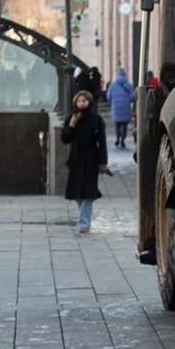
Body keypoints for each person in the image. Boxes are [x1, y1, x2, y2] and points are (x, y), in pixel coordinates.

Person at [61, 91, 108, 234]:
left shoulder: (96, 119)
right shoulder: (72, 118)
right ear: (75, 102)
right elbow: (65, 139)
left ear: (89, 102)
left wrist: (103, 162)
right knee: (76, 193)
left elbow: (102, 142)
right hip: (76, 159)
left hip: (91, 160)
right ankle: (85, 218)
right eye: (79, 100)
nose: (81, 103)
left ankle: (84, 223)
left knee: (88, 192)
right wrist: (71, 125)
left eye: (84, 100)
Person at [107, 68, 135, 148]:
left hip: (116, 108)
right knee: (124, 125)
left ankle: (117, 139)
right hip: (125, 108)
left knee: (117, 125)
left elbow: (108, 96)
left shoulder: (113, 85)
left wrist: (112, 102)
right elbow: (132, 97)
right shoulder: (129, 85)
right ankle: (123, 139)